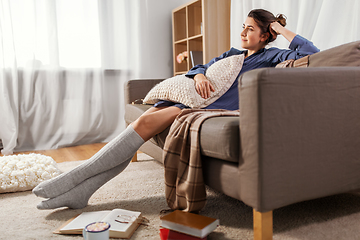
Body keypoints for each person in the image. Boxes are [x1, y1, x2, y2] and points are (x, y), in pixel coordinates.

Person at [33, 9, 319, 210]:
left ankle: (75, 178)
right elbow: (201, 66)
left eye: (250, 28)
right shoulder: (234, 54)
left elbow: (311, 53)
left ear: (266, 35)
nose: (243, 31)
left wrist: (280, 29)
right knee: (146, 118)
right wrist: (200, 76)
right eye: (243, 26)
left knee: (144, 126)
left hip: (213, 107)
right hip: (196, 97)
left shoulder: (272, 56)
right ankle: (82, 189)